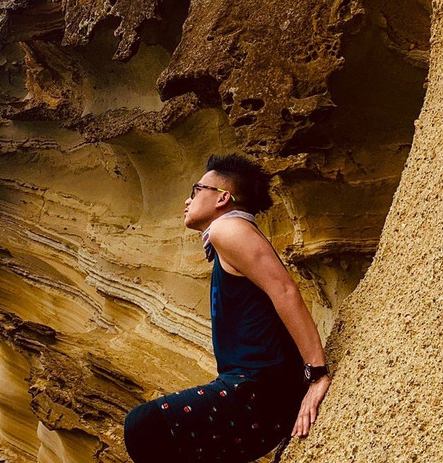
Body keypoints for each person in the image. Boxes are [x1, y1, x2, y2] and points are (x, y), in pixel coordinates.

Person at [123, 154, 332, 463]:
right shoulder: (230, 234)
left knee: (144, 425)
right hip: (256, 398)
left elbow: (286, 289)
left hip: (259, 394)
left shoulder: (228, 229)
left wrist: (317, 375)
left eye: (196, 190)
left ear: (222, 198)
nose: (187, 200)